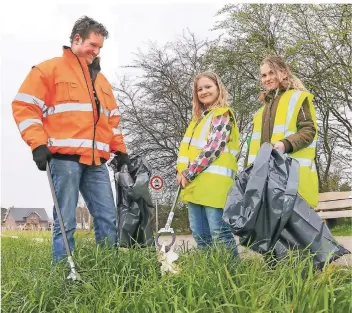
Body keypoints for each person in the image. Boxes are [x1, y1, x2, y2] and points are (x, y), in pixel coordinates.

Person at [12, 16, 130, 263]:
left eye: (99, 48)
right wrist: (38, 144)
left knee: (107, 216)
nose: (96, 52)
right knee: (66, 219)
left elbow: (111, 120)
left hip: (96, 161)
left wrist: (121, 151)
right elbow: (24, 106)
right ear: (77, 40)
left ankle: (108, 269)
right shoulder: (49, 70)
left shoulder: (102, 81)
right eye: (92, 45)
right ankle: (64, 270)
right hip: (64, 159)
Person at [176, 71, 240, 254]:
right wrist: (180, 172)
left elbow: (214, 147)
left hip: (215, 187)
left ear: (218, 88)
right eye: (199, 89)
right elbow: (186, 153)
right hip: (195, 187)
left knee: (220, 233)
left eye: (208, 87)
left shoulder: (222, 115)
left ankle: (232, 276)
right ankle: (211, 275)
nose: (203, 91)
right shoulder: (197, 120)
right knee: (200, 235)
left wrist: (188, 173)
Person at [246, 55, 318, 208]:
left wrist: (285, 144)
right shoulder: (261, 112)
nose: (267, 78)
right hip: (267, 178)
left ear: (284, 73)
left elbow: (308, 130)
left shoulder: (297, 98)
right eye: (264, 75)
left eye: (272, 73)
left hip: (291, 175)